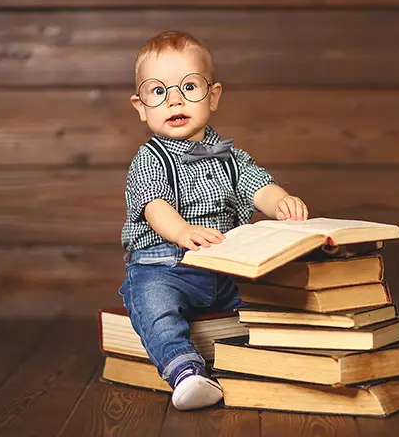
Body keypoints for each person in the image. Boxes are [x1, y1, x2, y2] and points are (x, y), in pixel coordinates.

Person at [119, 30, 309, 411]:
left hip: (225, 268)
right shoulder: (150, 159)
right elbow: (154, 206)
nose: (174, 99)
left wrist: (281, 202)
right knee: (151, 302)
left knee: (276, 294)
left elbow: (259, 185)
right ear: (141, 106)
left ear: (214, 96)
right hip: (168, 268)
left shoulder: (228, 156)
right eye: (159, 92)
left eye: (189, 87)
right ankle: (185, 373)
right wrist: (181, 231)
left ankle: (286, 357)